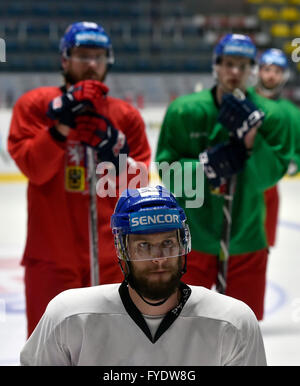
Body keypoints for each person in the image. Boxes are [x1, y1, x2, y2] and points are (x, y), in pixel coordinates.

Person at [7, 21, 151, 337]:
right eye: (82, 55)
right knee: (50, 347)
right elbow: (34, 168)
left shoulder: (125, 116)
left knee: (114, 347)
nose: (91, 63)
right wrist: (60, 127)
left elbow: (138, 188)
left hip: (113, 255)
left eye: (98, 56)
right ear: (64, 59)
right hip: (50, 256)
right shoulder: (36, 106)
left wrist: (117, 154)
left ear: (108, 61)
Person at [20, 185, 267, 366]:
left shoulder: (233, 323)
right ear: (121, 250)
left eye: (168, 242)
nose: (158, 257)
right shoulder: (68, 318)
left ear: (183, 245)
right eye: (144, 246)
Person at [155, 34, 295, 321]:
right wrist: (206, 168)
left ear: (251, 70)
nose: (234, 72)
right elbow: (169, 174)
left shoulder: (272, 116)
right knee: (182, 330)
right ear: (215, 66)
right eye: (228, 64)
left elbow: (269, 176)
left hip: (246, 240)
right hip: (191, 241)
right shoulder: (185, 111)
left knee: (242, 332)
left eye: (242, 66)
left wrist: (251, 142)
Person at [253, 48, 300, 246]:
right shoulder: (242, 100)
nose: (272, 75)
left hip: (269, 189)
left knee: (261, 249)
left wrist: (292, 163)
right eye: (267, 69)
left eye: (277, 71)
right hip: (235, 187)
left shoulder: (291, 112)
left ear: (284, 75)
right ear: (259, 71)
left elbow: (297, 153)